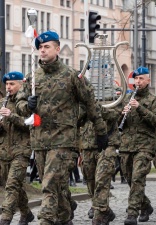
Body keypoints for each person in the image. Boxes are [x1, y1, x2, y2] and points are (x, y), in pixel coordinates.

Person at [15, 31, 108, 225]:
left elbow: (90, 103)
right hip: (39, 140)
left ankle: (46, 220)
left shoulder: (72, 76)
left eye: (47, 46)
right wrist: (27, 106)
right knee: (57, 186)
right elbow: (20, 104)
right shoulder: (33, 77)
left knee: (49, 184)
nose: (42, 50)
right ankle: (65, 218)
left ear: (57, 49)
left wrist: (101, 131)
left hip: (63, 140)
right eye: (40, 47)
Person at [118, 66, 156, 225]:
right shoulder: (125, 98)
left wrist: (140, 108)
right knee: (130, 179)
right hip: (126, 145)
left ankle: (132, 213)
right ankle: (145, 205)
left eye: (141, 79)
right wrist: (121, 114)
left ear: (148, 80)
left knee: (137, 178)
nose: (138, 82)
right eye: (136, 79)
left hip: (145, 146)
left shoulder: (153, 100)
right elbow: (116, 124)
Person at [0, 71, 34, 225]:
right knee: (14, 185)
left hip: (21, 150)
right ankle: (26, 213)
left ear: (21, 84)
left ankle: (5, 217)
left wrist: (11, 115)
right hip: (4, 151)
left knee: (12, 185)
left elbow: (31, 125)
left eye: (12, 84)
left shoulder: (27, 103)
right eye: (7, 84)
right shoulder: (2, 102)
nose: (8, 87)